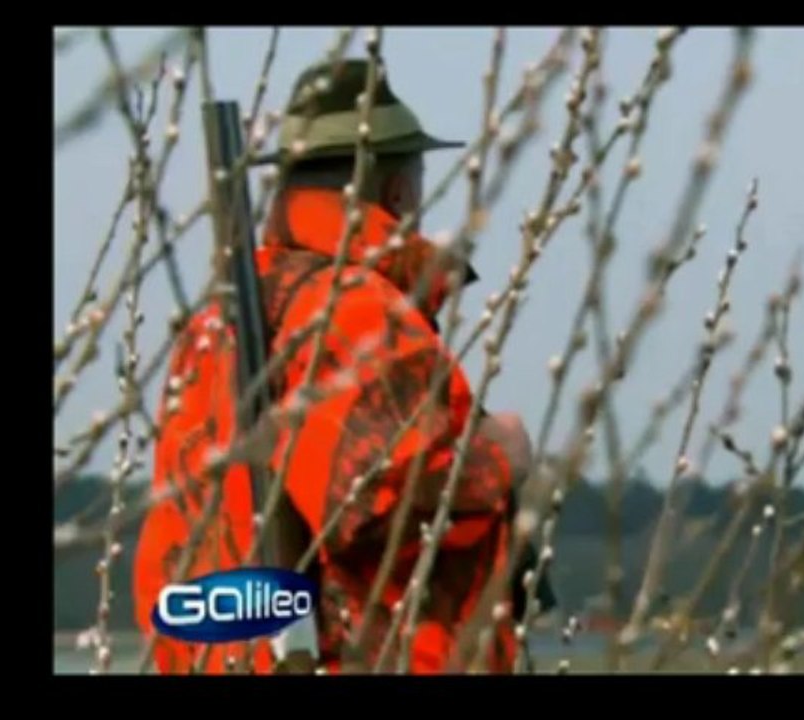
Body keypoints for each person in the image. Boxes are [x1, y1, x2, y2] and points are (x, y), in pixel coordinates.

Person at [133, 58, 542, 674]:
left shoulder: (212, 327)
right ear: (398, 190)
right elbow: (375, 502)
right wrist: (497, 457)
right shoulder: (351, 311)